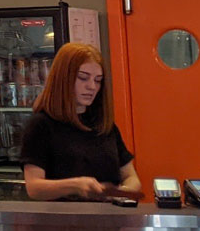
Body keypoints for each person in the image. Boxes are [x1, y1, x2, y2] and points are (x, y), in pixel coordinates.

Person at [19, 43, 141, 202]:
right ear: (63, 78)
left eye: (98, 81)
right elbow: (34, 188)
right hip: (62, 222)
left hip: (109, 221)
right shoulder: (41, 125)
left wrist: (122, 191)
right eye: (83, 78)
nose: (92, 87)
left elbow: (131, 177)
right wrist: (75, 185)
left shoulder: (104, 125)